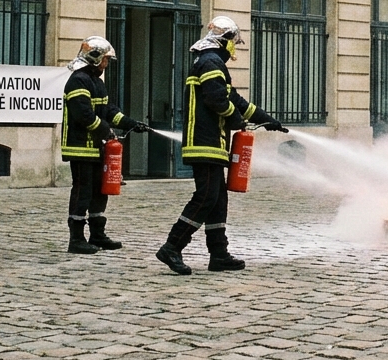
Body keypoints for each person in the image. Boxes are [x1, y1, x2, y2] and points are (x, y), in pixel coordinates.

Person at [157, 17, 287, 275]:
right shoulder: (210, 62)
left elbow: (235, 100)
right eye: (232, 43)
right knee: (205, 197)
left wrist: (266, 119)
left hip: (213, 144)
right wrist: (237, 121)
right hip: (204, 142)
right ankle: (172, 246)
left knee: (218, 200)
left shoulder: (211, 62)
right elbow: (216, 99)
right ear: (224, 41)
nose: (233, 49)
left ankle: (219, 254)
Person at [61, 37, 144, 254]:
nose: (107, 64)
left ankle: (97, 234)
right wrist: (106, 130)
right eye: (105, 59)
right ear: (95, 58)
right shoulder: (78, 80)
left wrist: (130, 123)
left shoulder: (97, 82)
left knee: (100, 190)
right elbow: (83, 115)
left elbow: (107, 110)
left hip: (97, 147)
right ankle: (76, 238)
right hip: (80, 147)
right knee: (83, 191)